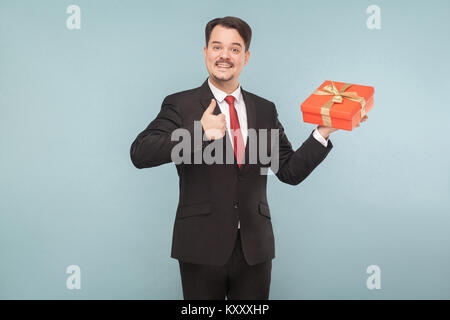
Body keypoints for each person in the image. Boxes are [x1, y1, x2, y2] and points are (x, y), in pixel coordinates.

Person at [130, 16, 368, 300]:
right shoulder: (180, 104)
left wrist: (323, 131)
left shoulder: (265, 109)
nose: (224, 56)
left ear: (246, 57)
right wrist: (199, 133)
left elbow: (289, 171)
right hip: (199, 246)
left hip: (255, 250)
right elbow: (140, 152)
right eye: (217, 47)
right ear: (205, 52)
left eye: (234, 49)